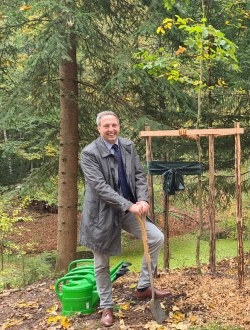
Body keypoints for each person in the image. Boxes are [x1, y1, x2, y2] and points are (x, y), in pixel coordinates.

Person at [79, 111, 169, 327]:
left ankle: (143, 287)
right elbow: (99, 187)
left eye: (114, 125)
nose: (111, 129)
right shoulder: (89, 153)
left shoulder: (127, 146)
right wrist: (129, 205)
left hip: (130, 209)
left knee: (156, 237)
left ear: (119, 126)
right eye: (106, 126)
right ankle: (106, 306)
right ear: (99, 128)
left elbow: (139, 175)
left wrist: (142, 199)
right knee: (101, 263)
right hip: (102, 213)